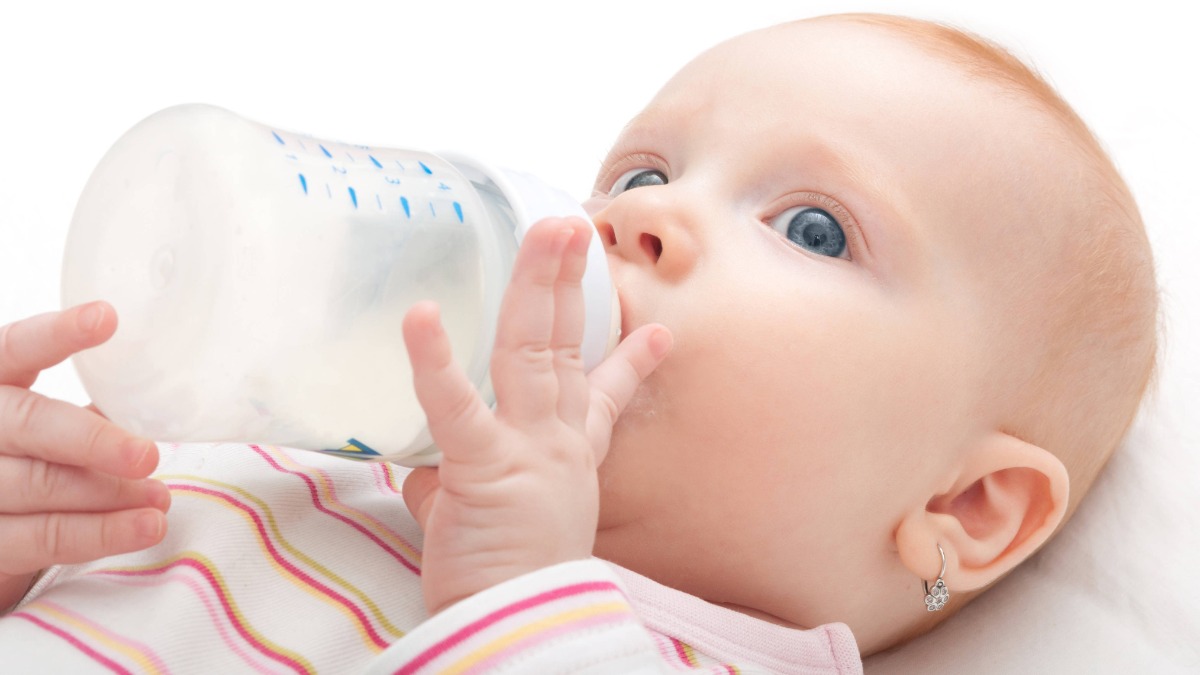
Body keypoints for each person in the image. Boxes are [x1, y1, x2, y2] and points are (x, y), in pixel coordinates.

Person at [0, 13, 1157, 673]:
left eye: (811, 227)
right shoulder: (316, 445)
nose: (641, 219)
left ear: (964, 510)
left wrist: (522, 594)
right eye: (644, 172)